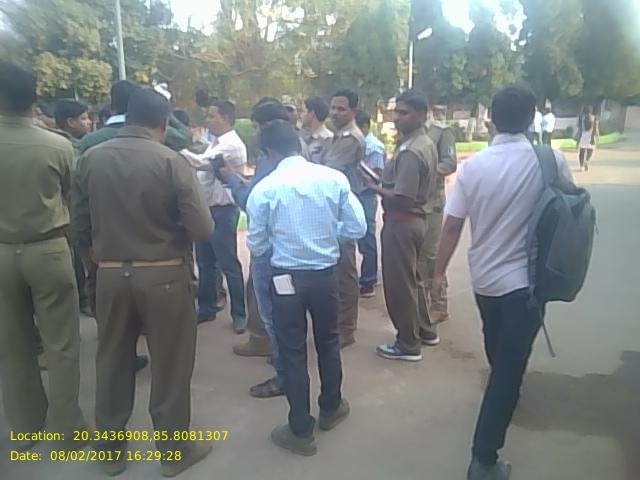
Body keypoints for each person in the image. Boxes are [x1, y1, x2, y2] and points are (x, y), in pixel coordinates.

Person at [431, 84, 573, 480]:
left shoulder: (473, 167)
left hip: (484, 280)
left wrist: (438, 274)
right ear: (531, 118)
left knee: (498, 349)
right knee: (508, 366)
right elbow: (569, 206)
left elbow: (452, 227)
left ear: (490, 117)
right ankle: (484, 460)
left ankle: (503, 396)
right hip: (528, 284)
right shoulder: (550, 160)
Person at [72, 88, 214, 477]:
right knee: (171, 364)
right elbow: (203, 229)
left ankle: (110, 450)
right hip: (164, 273)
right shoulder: (170, 161)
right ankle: (173, 450)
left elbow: (78, 224)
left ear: (126, 117)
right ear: (163, 123)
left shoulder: (90, 158)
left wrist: (98, 259)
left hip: (110, 273)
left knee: (112, 360)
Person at [246, 119, 366, 456]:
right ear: (298, 143)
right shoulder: (332, 179)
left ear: (269, 152)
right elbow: (356, 227)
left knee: (292, 350)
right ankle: (331, 407)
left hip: (285, 278)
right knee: (328, 342)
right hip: (324, 275)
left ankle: (300, 429)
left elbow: (257, 245)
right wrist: (328, 238)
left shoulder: (265, 189)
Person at [0, 61, 87, 451]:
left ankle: (26, 426)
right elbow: (72, 197)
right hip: (49, 248)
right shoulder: (57, 145)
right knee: (62, 343)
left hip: (2, 252)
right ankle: (69, 429)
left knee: (12, 345)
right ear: (35, 97)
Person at [219, 101, 292, 398]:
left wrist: (230, 180)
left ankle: (284, 370)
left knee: (273, 311)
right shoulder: (310, 167)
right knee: (289, 309)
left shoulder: (269, 160)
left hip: (271, 250)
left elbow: (253, 202)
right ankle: (285, 359)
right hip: (296, 252)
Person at [362, 91, 438, 362]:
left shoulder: (411, 151)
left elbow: (403, 198)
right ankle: (424, 331)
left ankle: (407, 343)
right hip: (415, 221)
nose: (397, 118)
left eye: (404, 113)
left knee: (400, 286)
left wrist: (374, 187)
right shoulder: (424, 143)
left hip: (402, 222)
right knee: (413, 281)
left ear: (421, 115)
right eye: (396, 112)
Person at [182, 100, 247, 332]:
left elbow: (202, 164)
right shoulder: (216, 142)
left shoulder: (231, 145)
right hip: (207, 209)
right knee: (206, 263)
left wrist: (177, 149)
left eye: (212, 116)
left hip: (222, 210)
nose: (208, 120)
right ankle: (206, 308)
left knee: (228, 264)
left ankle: (239, 314)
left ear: (226, 118)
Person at [324, 89, 366, 348]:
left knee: (345, 271)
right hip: (335, 208)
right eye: (333, 108)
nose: (335, 113)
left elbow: (330, 168)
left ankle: (347, 328)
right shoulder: (338, 135)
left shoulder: (351, 138)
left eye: (341, 109)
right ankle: (340, 324)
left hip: (344, 209)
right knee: (337, 268)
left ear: (354, 111)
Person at [417, 104, 458, 345]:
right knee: (417, 256)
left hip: (432, 202)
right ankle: (421, 301)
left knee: (431, 254)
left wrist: (426, 172)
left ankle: (439, 303)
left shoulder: (441, 132)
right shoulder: (410, 133)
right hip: (413, 202)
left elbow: (450, 163)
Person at [78, 80, 192, 154]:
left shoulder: (89, 141)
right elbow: (185, 138)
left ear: (112, 107)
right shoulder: (157, 132)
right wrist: (161, 106)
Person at [54, 99, 93, 316]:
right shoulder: (66, 147)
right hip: (65, 219)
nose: (89, 122)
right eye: (84, 118)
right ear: (70, 122)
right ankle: (83, 300)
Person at [354, 109, 385, 297]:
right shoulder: (358, 144)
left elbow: (378, 175)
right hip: (356, 193)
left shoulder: (374, 147)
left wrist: (361, 172)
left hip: (366, 194)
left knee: (366, 237)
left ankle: (369, 280)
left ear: (365, 126)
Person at [301, 96, 333, 164]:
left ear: (311, 114)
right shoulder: (305, 136)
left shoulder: (327, 139)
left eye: (303, 111)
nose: (301, 115)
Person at [577, 107, 599, 172]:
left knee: (581, 152)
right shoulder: (594, 118)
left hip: (583, 136)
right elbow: (596, 128)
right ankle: (586, 161)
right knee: (590, 151)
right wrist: (597, 136)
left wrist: (578, 140)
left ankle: (581, 166)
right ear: (590, 112)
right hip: (591, 136)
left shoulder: (581, 118)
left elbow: (579, 128)